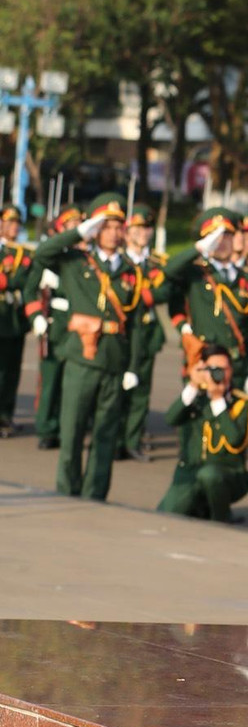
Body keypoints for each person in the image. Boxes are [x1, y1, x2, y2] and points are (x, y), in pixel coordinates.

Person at [31, 194, 140, 501]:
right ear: (96, 228)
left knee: (105, 434)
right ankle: (67, 491)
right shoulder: (76, 261)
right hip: (81, 357)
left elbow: (134, 323)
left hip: (114, 359)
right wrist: (79, 232)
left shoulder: (130, 270)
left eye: (119, 227)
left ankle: (95, 495)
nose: (114, 233)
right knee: (72, 431)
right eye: (107, 226)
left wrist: (131, 366)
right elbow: (43, 254)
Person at [163, 209, 248, 388]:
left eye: (227, 235)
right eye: (215, 237)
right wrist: (199, 249)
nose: (221, 242)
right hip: (204, 362)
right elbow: (169, 271)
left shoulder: (246, 278)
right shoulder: (196, 273)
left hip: (237, 365)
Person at [157, 343, 248, 521]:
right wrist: (193, 385)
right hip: (190, 474)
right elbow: (170, 419)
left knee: (209, 475)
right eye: (212, 369)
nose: (218, 374)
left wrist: (218, 400)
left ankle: (222, 517)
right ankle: (200, 509)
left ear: (231, 371)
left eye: (223, 369)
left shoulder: (242, 402)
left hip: (227, 475)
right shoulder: (196, 398)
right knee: (165, 514)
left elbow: (235, 439)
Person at [25, 202, 81, 449]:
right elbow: (29, 291)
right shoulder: (50, 257)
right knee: (51, 378)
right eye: (71, 225)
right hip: (54, 323)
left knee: (74, 380)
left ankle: (68, 424)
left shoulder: (83, 257)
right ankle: (47, 428)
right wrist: (37, 317)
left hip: (79, 323)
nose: (76, 229)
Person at [119, 201, 166, 460]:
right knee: (116, 389)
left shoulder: (156, 263)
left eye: (147, 228)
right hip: (122, 331)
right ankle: (114, 438)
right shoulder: (119, 260)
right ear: (127, 232)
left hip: (147, 332)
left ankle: (132, 439)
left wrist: (151, 294)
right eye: (137, 227)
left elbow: (167, 288)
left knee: (141, 390)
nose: (142, 233)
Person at [0, 204, 33, 436]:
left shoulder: (22, 253)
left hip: (14, 321)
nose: (14, 227)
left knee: (11, 372)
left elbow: (23, 279)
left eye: (16, 223)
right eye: (9, 222)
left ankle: (5, 416)